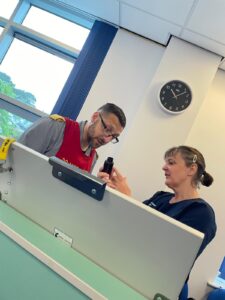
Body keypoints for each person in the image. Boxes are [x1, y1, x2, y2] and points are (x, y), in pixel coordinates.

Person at [99, 145, 217, 299]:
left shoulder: (201, 213)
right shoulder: (160, 197)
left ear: (191, 169)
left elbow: (163, 256)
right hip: (129, 274)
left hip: (157, 290)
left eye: (171, 162)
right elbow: (128, 227)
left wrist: (128, 198)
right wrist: (114, 195)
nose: (164, 167)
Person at [18, 103, 126, 172]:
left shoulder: (93, 158)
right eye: (107, 129)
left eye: (113, 137)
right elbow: (16, 161)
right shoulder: (54, 126)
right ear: (95, 117)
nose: (106, 139)